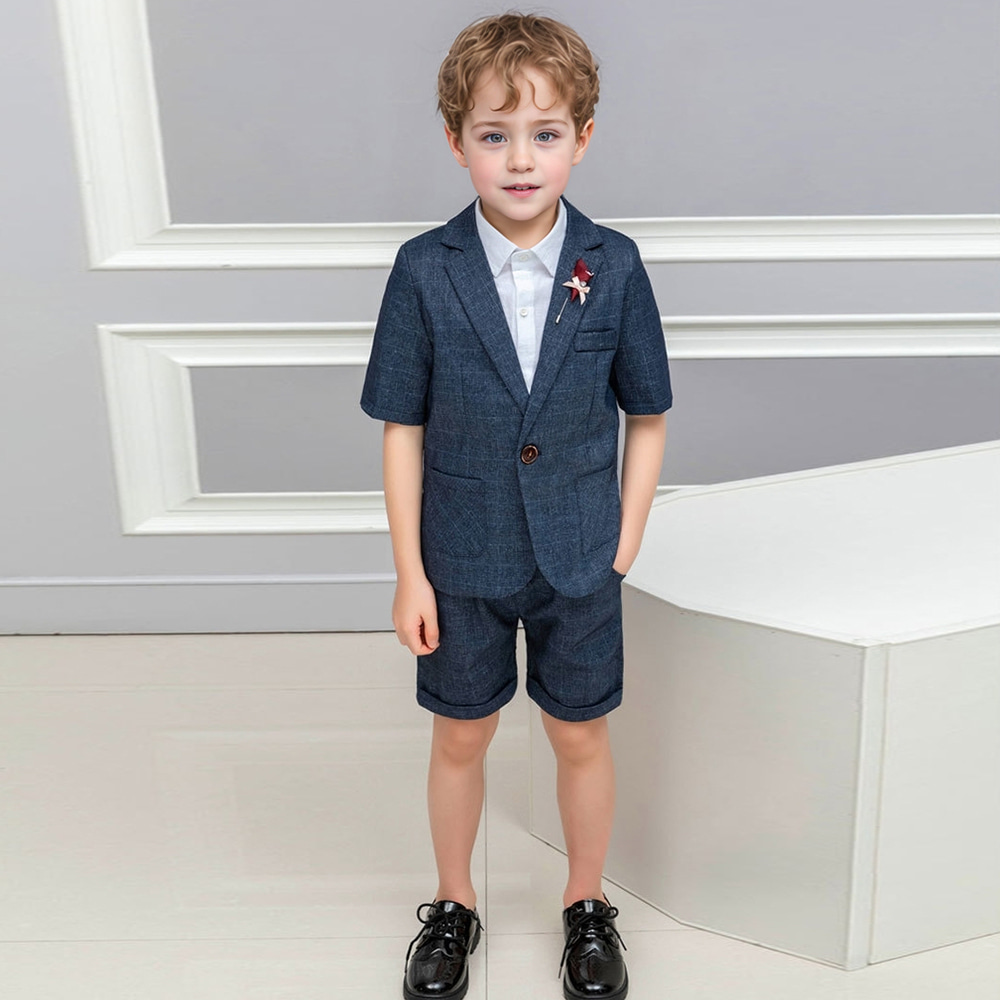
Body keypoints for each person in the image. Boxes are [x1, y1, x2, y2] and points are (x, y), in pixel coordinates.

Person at [360, 13, 672, 1000]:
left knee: (580, 733)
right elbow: (401, 428)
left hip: (580, 557)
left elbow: (648, 414)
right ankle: (452, 903)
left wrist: (623, 542)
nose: (521, 159)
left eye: (545, 133)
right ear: (457, 142)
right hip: (461, 559)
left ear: (584, 136)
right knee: (461, 733)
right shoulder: (425, 269)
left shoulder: (614, 266)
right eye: (495, 135)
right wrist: (411, 573)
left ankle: (587, 903)